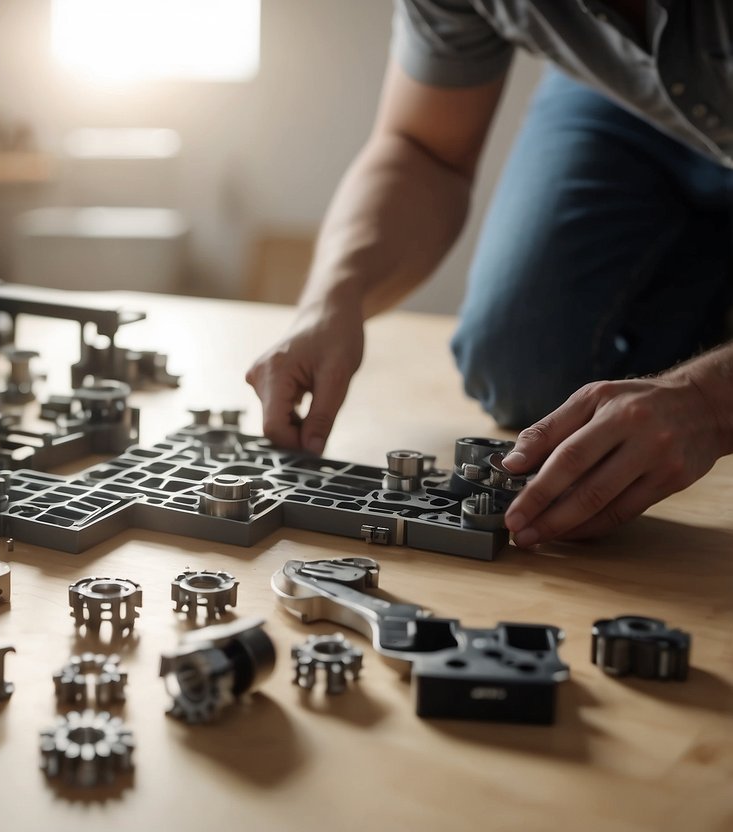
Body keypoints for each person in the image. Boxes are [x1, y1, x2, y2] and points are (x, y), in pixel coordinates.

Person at [246, 0, 733, 548]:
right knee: (527, 369)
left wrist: (709, 403)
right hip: (625, 96)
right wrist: (335, 298)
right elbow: (423, 149)